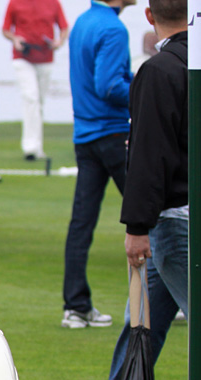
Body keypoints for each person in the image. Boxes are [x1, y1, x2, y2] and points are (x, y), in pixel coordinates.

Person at [50, 0, 201, 380]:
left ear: (149, 18)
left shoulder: (157, 72)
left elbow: (150, 155)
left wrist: (136, 226)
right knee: (143, 323)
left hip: (177, 220)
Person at [59, 0, 135, 330]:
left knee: (82, 223)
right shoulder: (113, 28)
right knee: (152, 215)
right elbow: (109, 85)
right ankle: (173, 298)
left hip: (86, 136)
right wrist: (148, 90)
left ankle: (75, 306)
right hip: (114, 134)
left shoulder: (83, 22)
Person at [2, 0, 68, 161]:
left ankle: (37, 146)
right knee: (30, 97)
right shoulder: (15, 3)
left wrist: (59, 41)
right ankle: (30, 147)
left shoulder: (53, 3)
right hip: (23, 57)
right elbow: (6, 30)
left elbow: (64, 28)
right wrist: (15, 39)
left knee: (39, 102)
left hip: (45, 57)